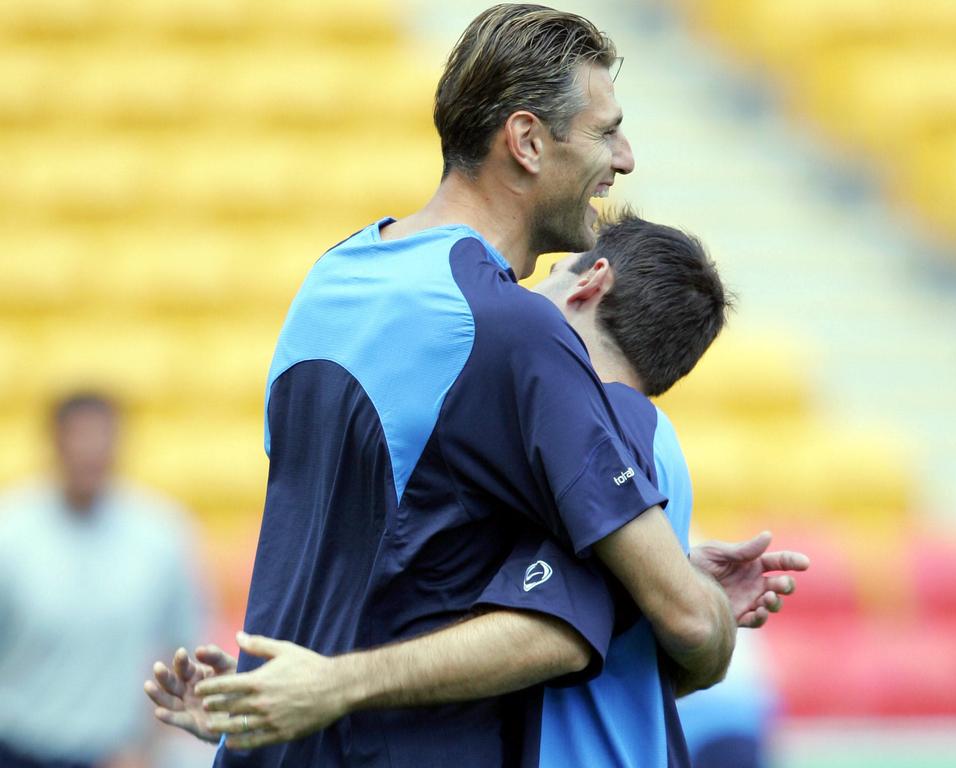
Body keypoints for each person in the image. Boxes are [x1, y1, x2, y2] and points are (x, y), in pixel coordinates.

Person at [148, 6, 741, 766]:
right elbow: (688, 623)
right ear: (526, 142)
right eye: (604, 132)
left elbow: (378, 545)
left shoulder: (331, 277)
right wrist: (710, 607)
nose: (624, 159)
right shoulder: (510, 330)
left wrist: (268, 690)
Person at [147, 214, 808, 766]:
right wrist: (263, 707)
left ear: (590, 282)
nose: (523, 296)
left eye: (548, 275)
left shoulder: (607, 425)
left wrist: (326, 689)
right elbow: (648, 652)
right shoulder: (642, 447)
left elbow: (551, 635)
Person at [0, 393, 203, 768]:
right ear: (54, 442)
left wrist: (148, 745)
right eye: (79, 436)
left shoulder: (162, 533)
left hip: (115, 753)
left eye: (102, 437)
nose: (90, 450)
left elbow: (182, 651)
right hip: (15, 746)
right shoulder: (9, 532)